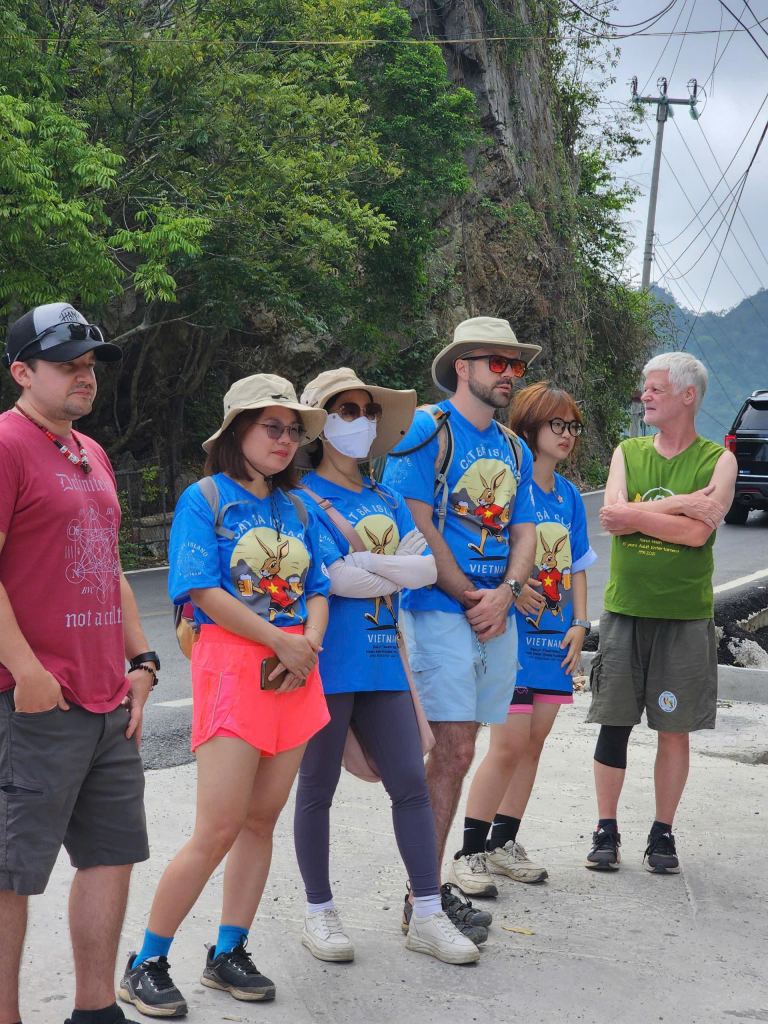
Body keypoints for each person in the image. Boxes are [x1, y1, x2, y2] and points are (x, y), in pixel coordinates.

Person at [120, 375, 333, 1015]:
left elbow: (318, 587)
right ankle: (147, 960)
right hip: (235, 669)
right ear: (237, 430)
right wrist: (281, 641)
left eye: (293, 430)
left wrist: (307, 644)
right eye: (273, 427)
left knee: (260, 822)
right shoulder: (205, 498)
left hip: (295, 671)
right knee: (217, 828)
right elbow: (201, 589)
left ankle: (229, 951)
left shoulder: (297, 508)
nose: (286, 440)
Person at [0, 303, 157, 1024]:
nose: (84, 375)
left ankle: (96, 1011)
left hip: (107, 701)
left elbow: (108, 565)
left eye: (90, 363)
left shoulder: (90, 451)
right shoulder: (6, 445)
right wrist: (27, 673)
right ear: (22, 372)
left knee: (110, 855)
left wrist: (143, 661)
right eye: (67, 364)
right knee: (12, 874)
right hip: (36, 704)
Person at [293, 368, 480, 966]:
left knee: (410, 787)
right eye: (347, 411)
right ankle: (319, 911)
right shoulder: (301, 500)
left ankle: (426, 912)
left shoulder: (388, 498)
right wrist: (389, 567)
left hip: (383, 664)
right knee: (316, 791)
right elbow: (334, 579)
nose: (362, 422)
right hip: (327, 664)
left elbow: (424, 570)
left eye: (368, 411)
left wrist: (369, 566)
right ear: (321, 425)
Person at [382, 315, 540, 919]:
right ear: (462, 366)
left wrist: (508, 591)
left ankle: (426, 890)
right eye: (497, 363)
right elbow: (415, 522)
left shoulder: (513, 447)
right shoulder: (426, 430)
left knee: (462, 750)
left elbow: (524, 530)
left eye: (515, 364)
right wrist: (474, 596)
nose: (509, 374)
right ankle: (422, 897)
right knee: (449, 749)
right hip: (437, 611)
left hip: (494, 613)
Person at [585, 352, 736, 873]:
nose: (644, 396)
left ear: (688, 395)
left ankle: (662, 833)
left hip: (684, 617)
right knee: (614, 722)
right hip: (625, 611)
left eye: (655, 389)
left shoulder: (719, 460)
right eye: (644, 388)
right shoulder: (627, 451)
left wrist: (639, 514)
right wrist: (680, 503)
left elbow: (697, 534)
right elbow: (611, 516)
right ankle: (605, 829)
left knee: (675, 729)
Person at [460, 383, 596, 886]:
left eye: (573, 426)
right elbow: (484, 548)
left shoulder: (569, 496)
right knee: (507, 745)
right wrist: (512, 590)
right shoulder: (510, 485)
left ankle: (503, 844)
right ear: (531, 426)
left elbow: (577, 565)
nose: (567, 434)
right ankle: (469, 852)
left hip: (554, 640)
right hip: (510, 638)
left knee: (532, 745)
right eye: (557, 424)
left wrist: (580, 624)